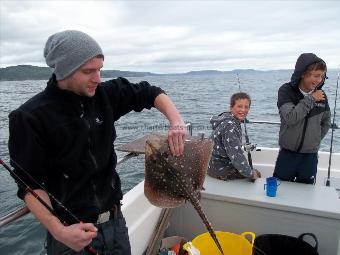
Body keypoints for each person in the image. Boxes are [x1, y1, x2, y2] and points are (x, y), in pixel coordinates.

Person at [8, 30, 187, 255]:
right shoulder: (29, 117)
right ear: (64, 71)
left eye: (100, 69)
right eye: (88, 71)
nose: (98, 78)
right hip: (71, 234)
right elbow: (28, 184)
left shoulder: (104, 95)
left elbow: (149, 92)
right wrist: (58, 231)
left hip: (115, 223)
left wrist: (177, 121)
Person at [273, 53, 331, 184]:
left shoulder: (322, 95)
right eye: (316, 76)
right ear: (303, 73)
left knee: (306, 195)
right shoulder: (286, 91)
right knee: (281, 191)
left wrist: (314, 139)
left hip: (310, 157)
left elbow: (326, 122)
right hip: (287, 154)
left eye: (322, 76)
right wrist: (311, 99)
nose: (319, 80)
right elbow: (290, 118)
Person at [207, 92, 261, 182]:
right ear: (231, 108)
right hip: (220, 171)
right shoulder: (230, 126)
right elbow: (236, 156)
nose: (243, 110)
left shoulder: (226, 119)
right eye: (239, 106)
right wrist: (251, 174)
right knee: (257, 173)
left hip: (211, 166)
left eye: (246, 107)